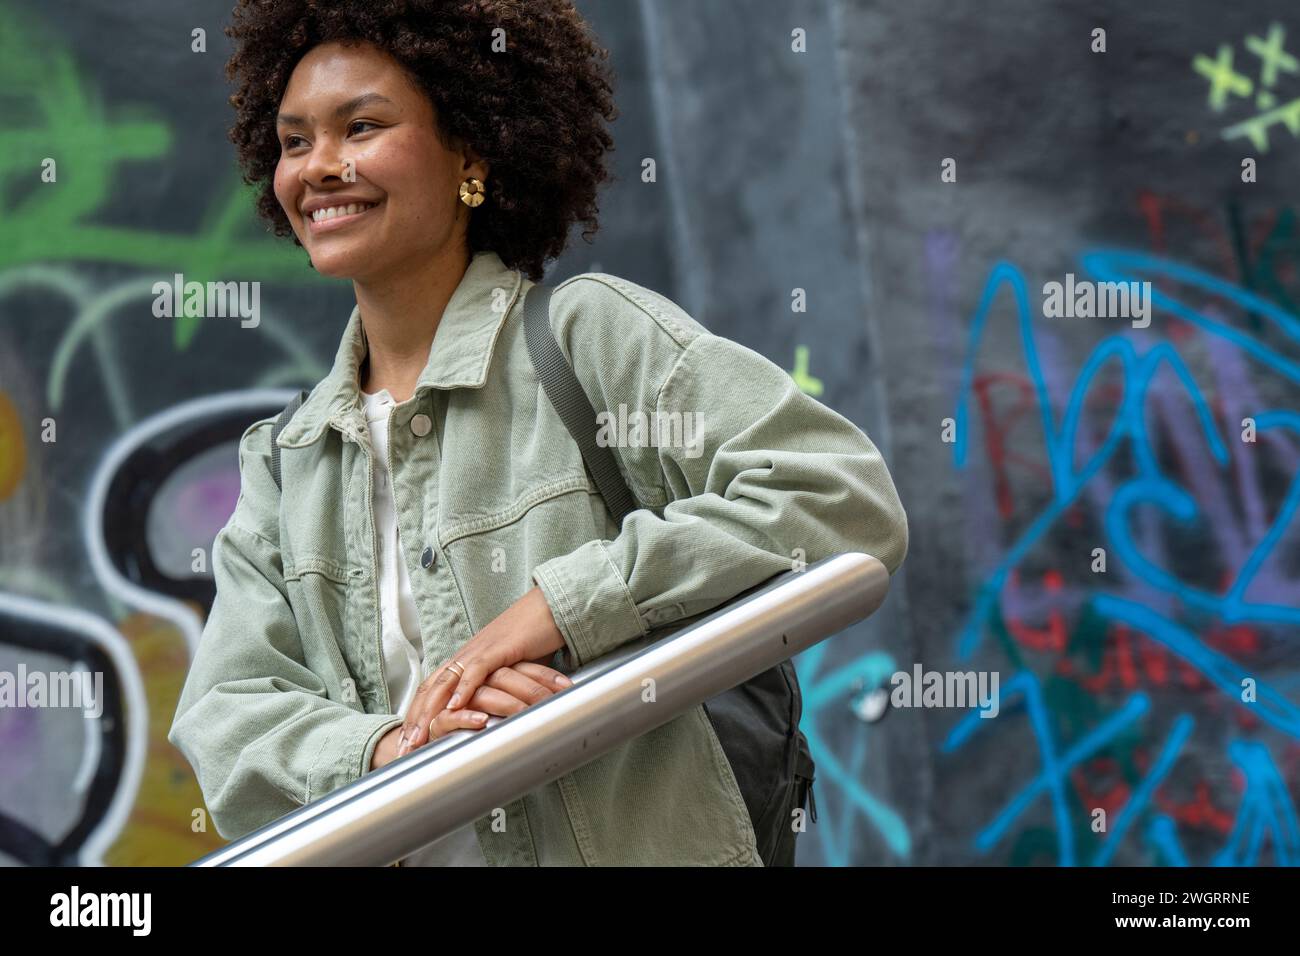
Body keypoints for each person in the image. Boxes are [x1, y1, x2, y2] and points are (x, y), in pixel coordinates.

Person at [169, 0, 909, 866]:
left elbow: (838, 495)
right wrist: (393, 751)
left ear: (472, 154)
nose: (320, 167)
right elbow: (226, 716)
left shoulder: (589, 339)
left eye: (361, 127)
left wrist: (563, 608)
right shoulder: (288, 461)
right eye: (295, 142)